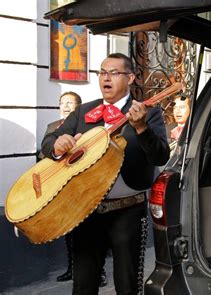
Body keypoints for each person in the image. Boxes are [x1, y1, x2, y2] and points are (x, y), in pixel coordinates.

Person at [41, 53, 170, 294]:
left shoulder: (148, 112)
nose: (105, 78)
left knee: (127, 285)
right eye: (102, 72)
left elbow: (161, 156)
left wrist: (141, 128)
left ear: (130, 77)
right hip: (86, 210)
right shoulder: (84, 111)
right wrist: (57, 146)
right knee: (83, 285)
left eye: (113, 72)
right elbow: (48, 141)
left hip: (128, 211)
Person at [40, 92, 108, 286]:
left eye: (70, 103)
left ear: (78, 107)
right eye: (63, 103)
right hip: (59, 184)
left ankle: (98, 271)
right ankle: (72, 268)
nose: (66, 106)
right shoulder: (52, 127)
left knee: (88, 232)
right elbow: (44, 152)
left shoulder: (84, 124)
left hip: (81, 185)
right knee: (70, 231)